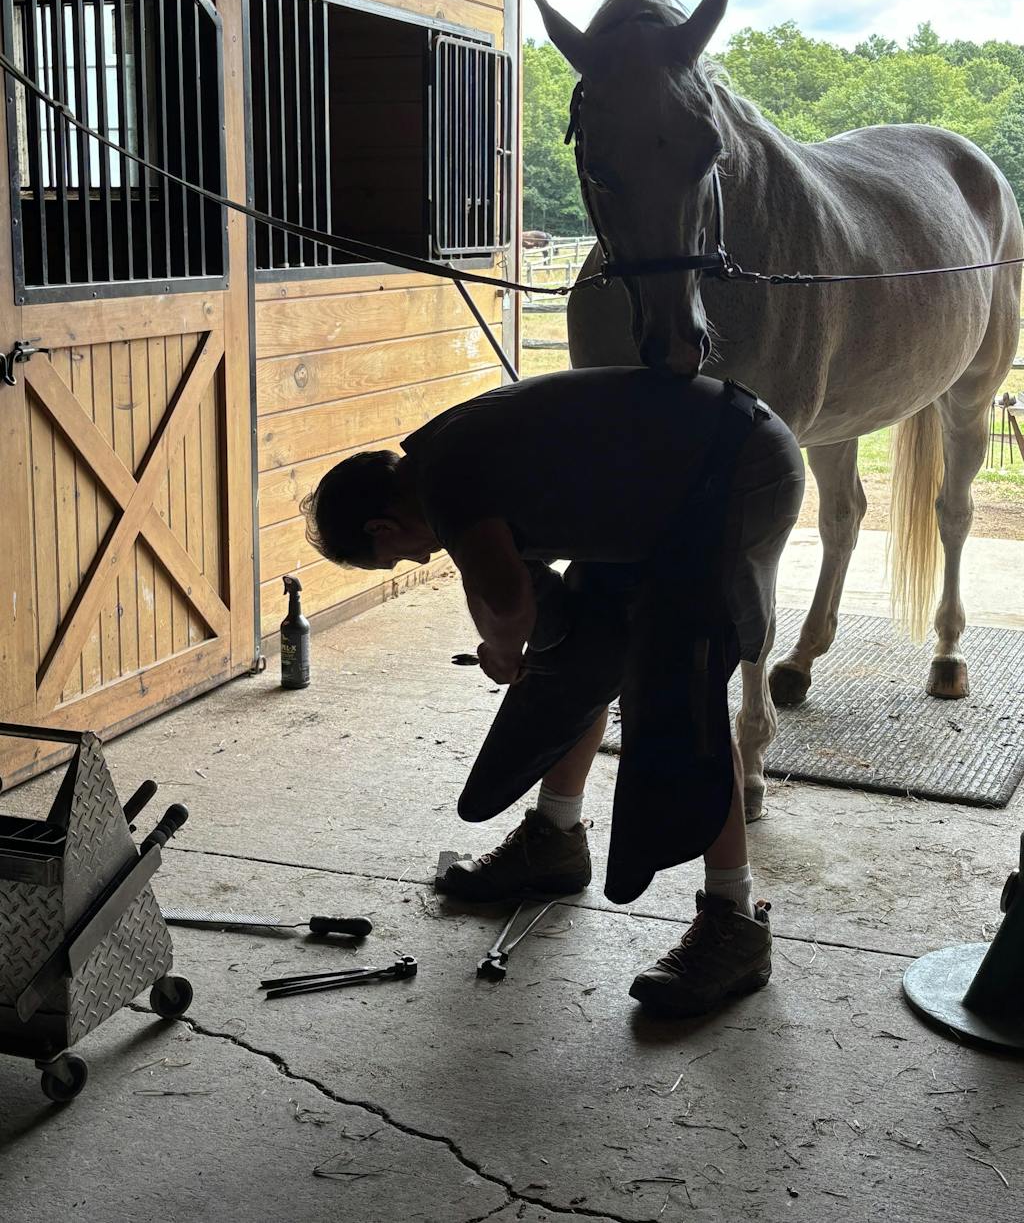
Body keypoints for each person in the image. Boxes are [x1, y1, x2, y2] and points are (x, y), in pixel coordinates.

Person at [302, 367, 804, 1015]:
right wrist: (513, 632)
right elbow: (491, 573)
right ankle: (556, 840)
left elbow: (507, 601)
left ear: (380, 526)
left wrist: (500, 651)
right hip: (678, 486)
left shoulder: (444, 482)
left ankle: (735, 920)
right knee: (585, 647)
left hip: (736, 473)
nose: (420, 560)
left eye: (399, 556)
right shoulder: (435, 464)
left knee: (684, 693)